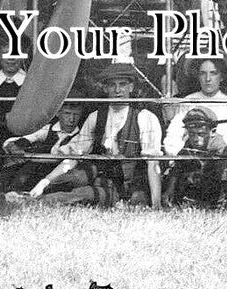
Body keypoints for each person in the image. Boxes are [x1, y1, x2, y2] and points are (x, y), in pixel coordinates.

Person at [28, 62, 163, 207]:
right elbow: (75, 156)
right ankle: (32, 192)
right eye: (112, 85)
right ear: (105, 88)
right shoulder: (96, 117)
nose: (118, 90)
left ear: (131, 87)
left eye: (123, 84)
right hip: (99, 174)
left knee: (83, 194)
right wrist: (45, 182)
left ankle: (35, 202)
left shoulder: (144, 117)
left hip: (127, 185)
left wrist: (157, 204)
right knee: (75, 177)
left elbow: (153, 164)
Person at [0, 96, 85, 195]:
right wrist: (15, 145)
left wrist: (27, 157)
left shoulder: (81, 137)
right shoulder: (49, 128)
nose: (71, 119)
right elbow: (32, 136)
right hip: (39, 167)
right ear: (58, 113)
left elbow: (57, 157)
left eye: (76, 115)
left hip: (59, 172)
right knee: (18, 170)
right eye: (67, 113)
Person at [163, 59, 227, 159]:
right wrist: (179, 155)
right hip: (192, 161)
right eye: (203, 73)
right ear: (198, 76)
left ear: (221, 77)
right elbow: (174, 134)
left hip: (224, 161)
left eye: (213, 73)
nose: (208, 79)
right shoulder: (188, 101)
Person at [163, 106, 227, 209]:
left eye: (201, 134)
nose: (196, 139)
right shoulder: (189, 145)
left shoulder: (219, 146)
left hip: (217, 188)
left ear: (212, 132)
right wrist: (169, 191)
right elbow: (177, 169)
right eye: (192, 134)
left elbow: (224, 176)